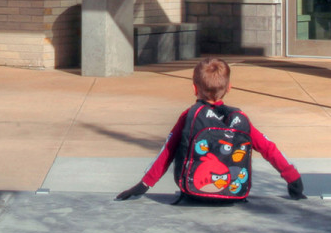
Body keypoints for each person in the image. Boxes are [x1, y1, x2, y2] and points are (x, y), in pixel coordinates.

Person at [116, 57, 307, 203]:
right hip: (234, 193)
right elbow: (268, 148)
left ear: (194, 88)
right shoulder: (239, 119)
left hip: (193, 193)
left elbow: (168, 150)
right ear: (229, 88)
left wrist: (144, 184)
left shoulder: (190, 116)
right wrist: (293, 178)